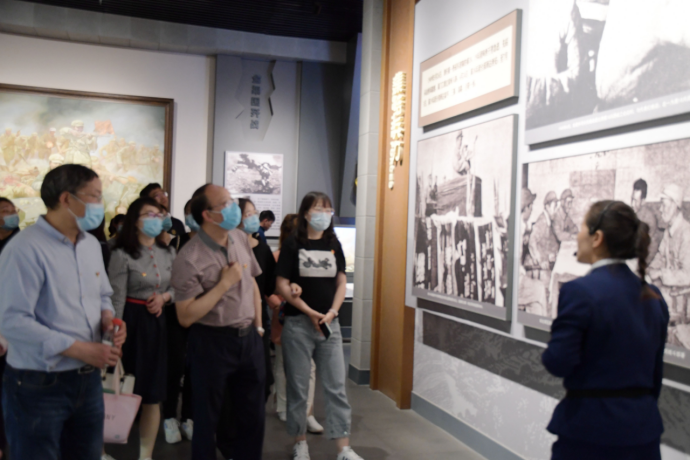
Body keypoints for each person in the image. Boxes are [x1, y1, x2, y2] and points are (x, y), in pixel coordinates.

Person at [0, 164, 127, 460]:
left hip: (88, 380)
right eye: (95, 196)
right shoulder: (25, 249)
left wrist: (108, 319)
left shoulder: (90, 245)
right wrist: (79, 349)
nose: (100, 203)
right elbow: (11, 320)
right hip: (38, 382)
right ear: (66, 199)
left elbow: (102, 295)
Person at [543, 200, 669, 460]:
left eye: (582, 228)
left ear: (597, 238)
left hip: (591, 434)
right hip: (643, 435)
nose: (577, 236)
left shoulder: (579, 292)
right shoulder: (654, 296)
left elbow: (558, 362)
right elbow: (655, 375)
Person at [172, 184, 265, 460]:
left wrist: (258, 326)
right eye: (226, 203)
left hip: (248, 339)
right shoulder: (189, 258)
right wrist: (223, 284)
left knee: (253, 417)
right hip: (212, 343)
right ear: (208, 215)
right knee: (207, 420)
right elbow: (185, 316)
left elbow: (252, 284)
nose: (234, 207)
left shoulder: (239, 238)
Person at [276, 192, 363, 461]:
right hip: (298, 324)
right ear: (305, 213)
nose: (324, 214)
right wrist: (308, 311)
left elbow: (341, 281)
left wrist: (333, 312)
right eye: (318, 209)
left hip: (329, 325)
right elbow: (281, 284)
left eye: (327, 209)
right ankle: (300, 442)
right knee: (299, 388)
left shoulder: (333, 243)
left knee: (336, 386)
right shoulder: (293, 244)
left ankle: (343, 448)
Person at [108, 197, 175, 459]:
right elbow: (115, 297)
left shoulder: (168, 252)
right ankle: (101, 449)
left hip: (157, 324)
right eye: (149, 214)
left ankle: (145, 455)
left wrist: (164, 298)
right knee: (115, 387)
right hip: (130, 322)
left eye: (159, 215)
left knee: (152, 393)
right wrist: (114, 335)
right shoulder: (122, 253)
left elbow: (178, 288)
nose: (156, 220)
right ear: (135, 220)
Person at [268, 214, 323, 432]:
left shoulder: (310, 256)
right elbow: (267, 288)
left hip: (308, 317)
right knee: (283, 364)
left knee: (309, 367)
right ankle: (283, 405)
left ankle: (307, 412)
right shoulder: (276, 257)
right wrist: (277, 304)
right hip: (284, 317)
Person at [649, 184, 690, 339]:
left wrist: (660, 273)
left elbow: (687, 275)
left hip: (680, 303)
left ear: (675, 205)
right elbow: (659, 258)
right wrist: (649, 271)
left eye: (664, 205)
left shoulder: (686, 233)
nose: (660, 209)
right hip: (667, 297)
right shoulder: (668, 232)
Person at [0, 197, 20, 459]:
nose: (11, 214)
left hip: (13, 331)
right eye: (5, 210)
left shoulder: (20, 245)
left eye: (13, 210)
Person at [140, 183, 189, 252]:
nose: (163, 197)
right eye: (157, 195)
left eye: (163, 193)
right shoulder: (147, 225)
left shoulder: (177, 223)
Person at [529, 191, 561, 288]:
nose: (556, 210)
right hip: (542, 267)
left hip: (549, 260)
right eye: (554, 206)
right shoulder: (542, 221)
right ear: (547, 206)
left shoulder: (549, 220)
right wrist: (540, 260)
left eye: (556, 206)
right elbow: (532, 241)